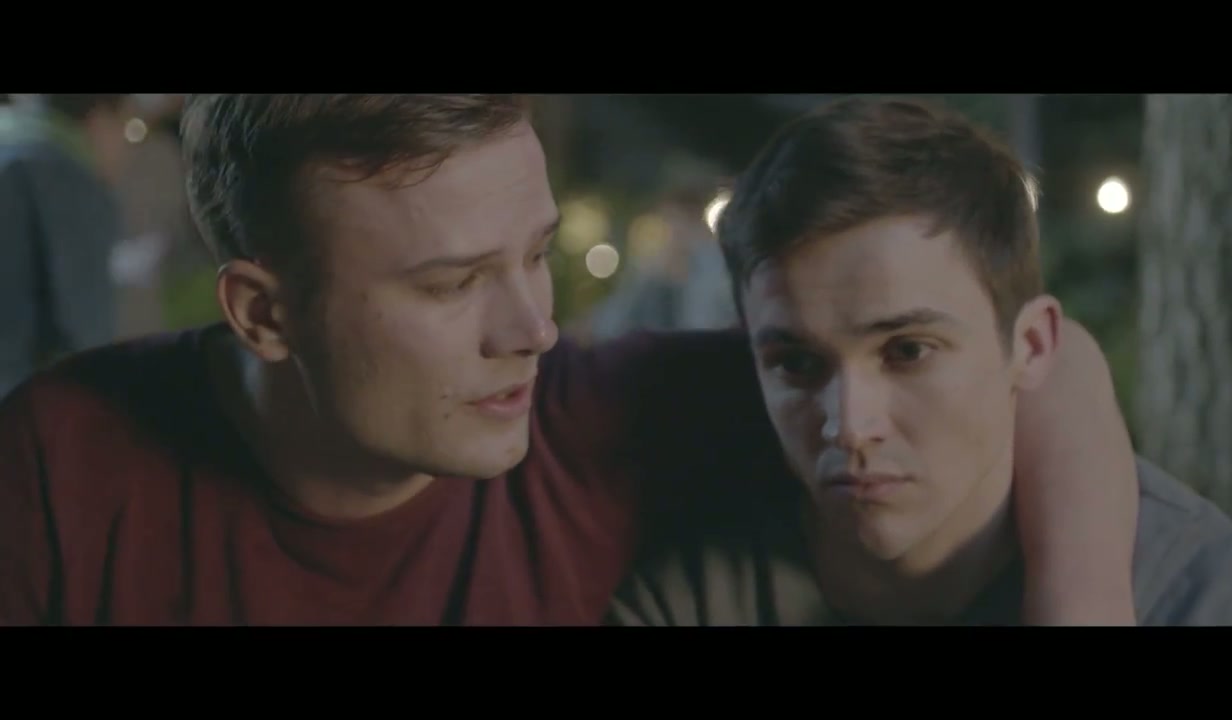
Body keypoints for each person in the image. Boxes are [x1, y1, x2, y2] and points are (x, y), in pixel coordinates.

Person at [0, 94, 1138, 626]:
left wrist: (1080, 603)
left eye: (535, 256)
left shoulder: (590, 420)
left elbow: (1041, 360)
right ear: (264, 313)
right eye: (451, 284)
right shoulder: (64, 460)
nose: (532, 329)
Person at [605, 96, 1232, 626]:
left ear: (1031, 346)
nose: (851, 425)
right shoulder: (694, 597)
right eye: (797, 364)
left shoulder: (1186, 593)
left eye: (907, 351)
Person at [0, 94, 134, 397]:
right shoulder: (65, 179)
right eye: (128, 129)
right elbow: (83, 333)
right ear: (100, 119)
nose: (127, 149)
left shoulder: (9, 150)